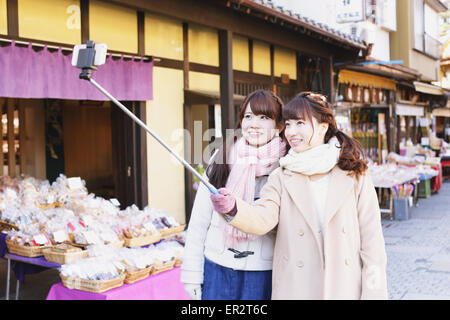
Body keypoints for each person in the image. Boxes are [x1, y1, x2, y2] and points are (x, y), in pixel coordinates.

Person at [211, 92, 388, 300]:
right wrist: (233, 208)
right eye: (288, 124)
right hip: (296, 289)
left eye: (300, 123)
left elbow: (372, 242)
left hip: (345, 288)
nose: (292, 132)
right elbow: (263, 218)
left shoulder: (354, 174)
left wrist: (374, 294)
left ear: (323, 127)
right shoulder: (282, 175)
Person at [181, 90, 288, 300]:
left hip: (264, 273)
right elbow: (199, 220)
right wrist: (192, 274)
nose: (253, 124)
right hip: (217, 267)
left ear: (279, 125)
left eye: (264, 117)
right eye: (248, 116)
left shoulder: (286, 165)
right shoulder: (222, 156)